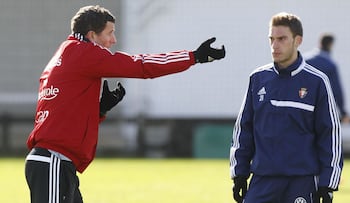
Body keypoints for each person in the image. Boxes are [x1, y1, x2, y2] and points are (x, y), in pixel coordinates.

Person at [25, 5, 225, 203]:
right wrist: (193, 57)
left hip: (54, 162)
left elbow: (67, 114)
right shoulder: (84, 53)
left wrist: (100, 109)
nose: (113, 40)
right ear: (92, 35)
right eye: (110, 33)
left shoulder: (66, 53)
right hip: (53, 162)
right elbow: (141, 65)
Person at [230, 12, 342, 203]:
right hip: (263, 180)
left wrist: (328, 183)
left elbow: (330, 134)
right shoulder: (257, 79)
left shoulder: (317, 81)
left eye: (281, 39)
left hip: (302, 181)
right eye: (271, 39)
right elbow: (243, 129)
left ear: (297, 40)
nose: (275, 46)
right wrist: (239, 173)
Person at [306, 33, 350, 123]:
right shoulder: (330, 65)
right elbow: (337, 89)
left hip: (303, 106)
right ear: (331, 45)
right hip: (322, 109)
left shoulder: (304, 60)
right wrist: (343, 112)